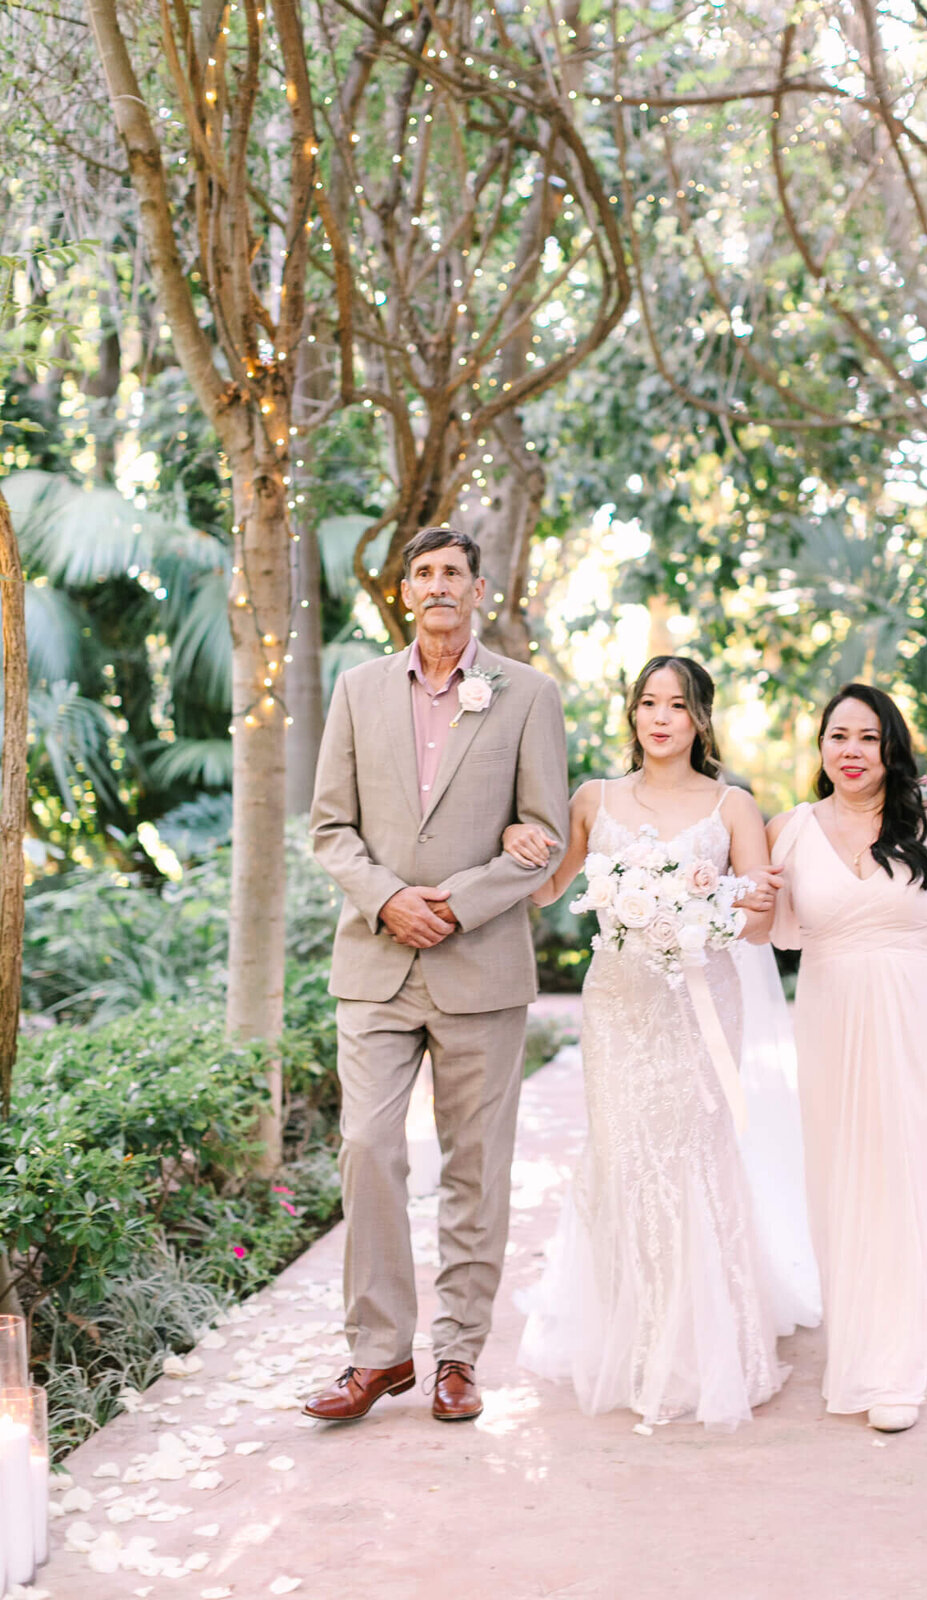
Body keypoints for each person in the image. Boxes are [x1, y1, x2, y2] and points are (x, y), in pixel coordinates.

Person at [503, 656, 814, 1430]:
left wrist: (714, 909)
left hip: (702, 1003)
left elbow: (759, 921)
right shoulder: (593, 800)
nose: (661, 717)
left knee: (692, 1153)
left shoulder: (732, 806)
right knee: (622, 1152)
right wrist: (520, 843)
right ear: (633, 714)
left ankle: (706, 1346)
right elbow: (547, 890)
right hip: (619, 1003)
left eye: (677, 704)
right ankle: (629, 1338)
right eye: (648, 702)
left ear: (700, 718)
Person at [304, 526, 569, 1425]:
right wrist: (388, 900)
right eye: (424, 574)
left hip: (479, 962)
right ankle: (378, 1356)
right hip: (376, 962)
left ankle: (458, 1354)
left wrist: (450, 901)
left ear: (479, 590)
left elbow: (543, 837)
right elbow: (330, 828)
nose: (439, 586)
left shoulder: (529, 695)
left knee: (475, 1167)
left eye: (454, 572)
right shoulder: (356, 690)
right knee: (369, 1149)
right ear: (404, 593)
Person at [768, 683, 927, 1435]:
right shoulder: (787, 831)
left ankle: (897, 1371)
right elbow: (759, 931)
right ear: (820, 747)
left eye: (868, 739)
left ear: (891, 749)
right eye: (838, 736)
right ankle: (856, 1351)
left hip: (919, 1021)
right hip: (828, 1020)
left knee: (905, 1180)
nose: (851, 751)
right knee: (840, 1184)